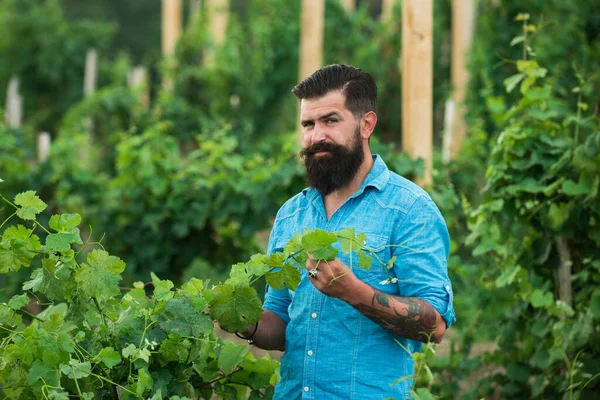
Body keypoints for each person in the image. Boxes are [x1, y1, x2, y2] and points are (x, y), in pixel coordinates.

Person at [235, 64, 455, 399]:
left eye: (330, 121)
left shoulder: (409, 210)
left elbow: (434, 326)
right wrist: (245, 322)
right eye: (308, 124)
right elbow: (280, 323)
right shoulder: (292, 213)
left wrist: (351, 290)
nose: (316, 136)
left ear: (366, 124)